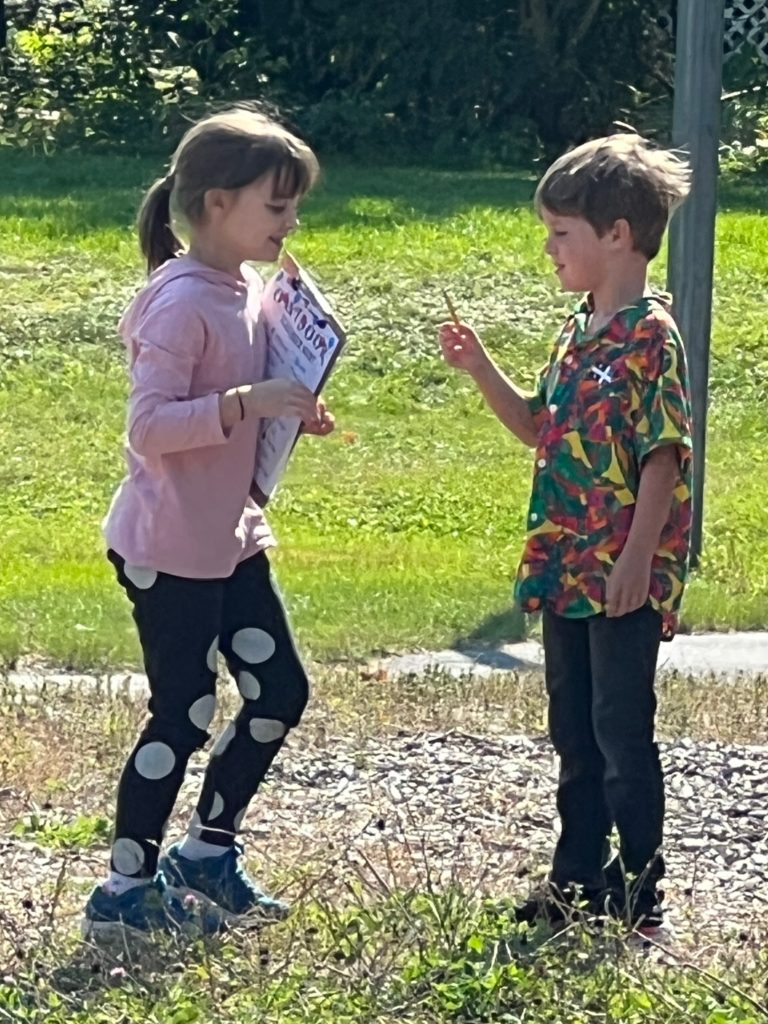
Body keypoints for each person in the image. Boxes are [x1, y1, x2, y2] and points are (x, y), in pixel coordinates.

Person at [83, 107, 335, 937]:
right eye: (277, 206)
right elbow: (150, 427)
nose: (290, 222)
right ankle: (123, 893)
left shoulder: (248, 290)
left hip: (230, 539)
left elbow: (246, 399)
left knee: (278, 692)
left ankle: (205, 855)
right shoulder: (180, 303)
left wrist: (286, 412)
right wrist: (242, 403)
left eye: (293, 207)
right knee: (183, 712)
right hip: (169, 548)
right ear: (218, 204)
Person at [439, 134, 692, 937]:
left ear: (616, 234)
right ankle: (576, 879)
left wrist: (638, 560)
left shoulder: (651, 336)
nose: (549, 249)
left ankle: (641, 890)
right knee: (574, 730)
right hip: (565, 565)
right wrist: (480, 368)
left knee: (621, 729)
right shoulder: (577, 329)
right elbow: (536, 426)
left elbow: (662, 457)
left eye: (560, 233)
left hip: (620, 573)